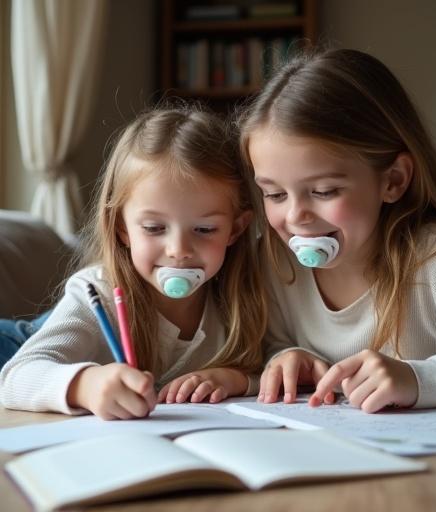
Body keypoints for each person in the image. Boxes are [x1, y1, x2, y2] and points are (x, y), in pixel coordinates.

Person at [239, 47, 436, 413]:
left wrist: (418, 380)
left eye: (324, 191)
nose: (295, 216)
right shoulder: (274, 262)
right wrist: (288, 356)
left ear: (393, 180)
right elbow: (270, 346)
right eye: (274, 194)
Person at [0, 104, 266, 419]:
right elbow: (18, 376)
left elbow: (276, 363)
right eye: (154, 228)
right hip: (16, 343)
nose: (179, 249)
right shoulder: (95, 293)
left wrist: (236, 379)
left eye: (205, 229)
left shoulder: (243, 296)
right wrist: (87, 384)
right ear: (121, 228)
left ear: (235, 229)